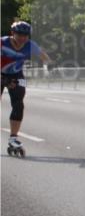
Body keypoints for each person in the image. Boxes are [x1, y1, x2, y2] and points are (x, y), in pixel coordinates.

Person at [1, 21, 54, 154]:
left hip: (17, 74)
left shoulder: (30, 45)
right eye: (20, 35)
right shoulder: (2, 43)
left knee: (19, 104)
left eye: (26, 35)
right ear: (12, 33)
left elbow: (42, 55)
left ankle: (13, 138)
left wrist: (50, 64)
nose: (23, 38)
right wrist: (4, 80)